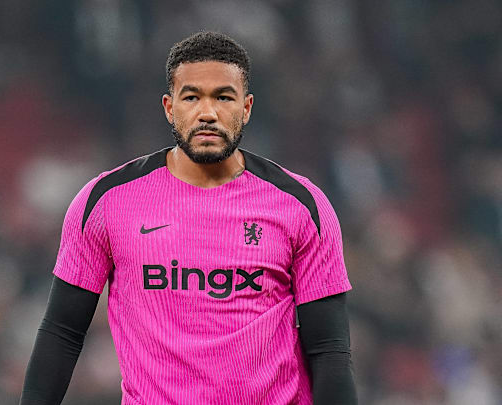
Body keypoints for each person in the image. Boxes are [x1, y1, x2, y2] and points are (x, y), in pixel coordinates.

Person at [20, 31, 357, 405]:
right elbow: (63, 332)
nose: (207, 113)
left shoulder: (302, 206)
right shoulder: (105, 202)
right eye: (192, 96)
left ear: (246, 108)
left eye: (223, 97)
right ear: (169, 107)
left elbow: (329, 350)